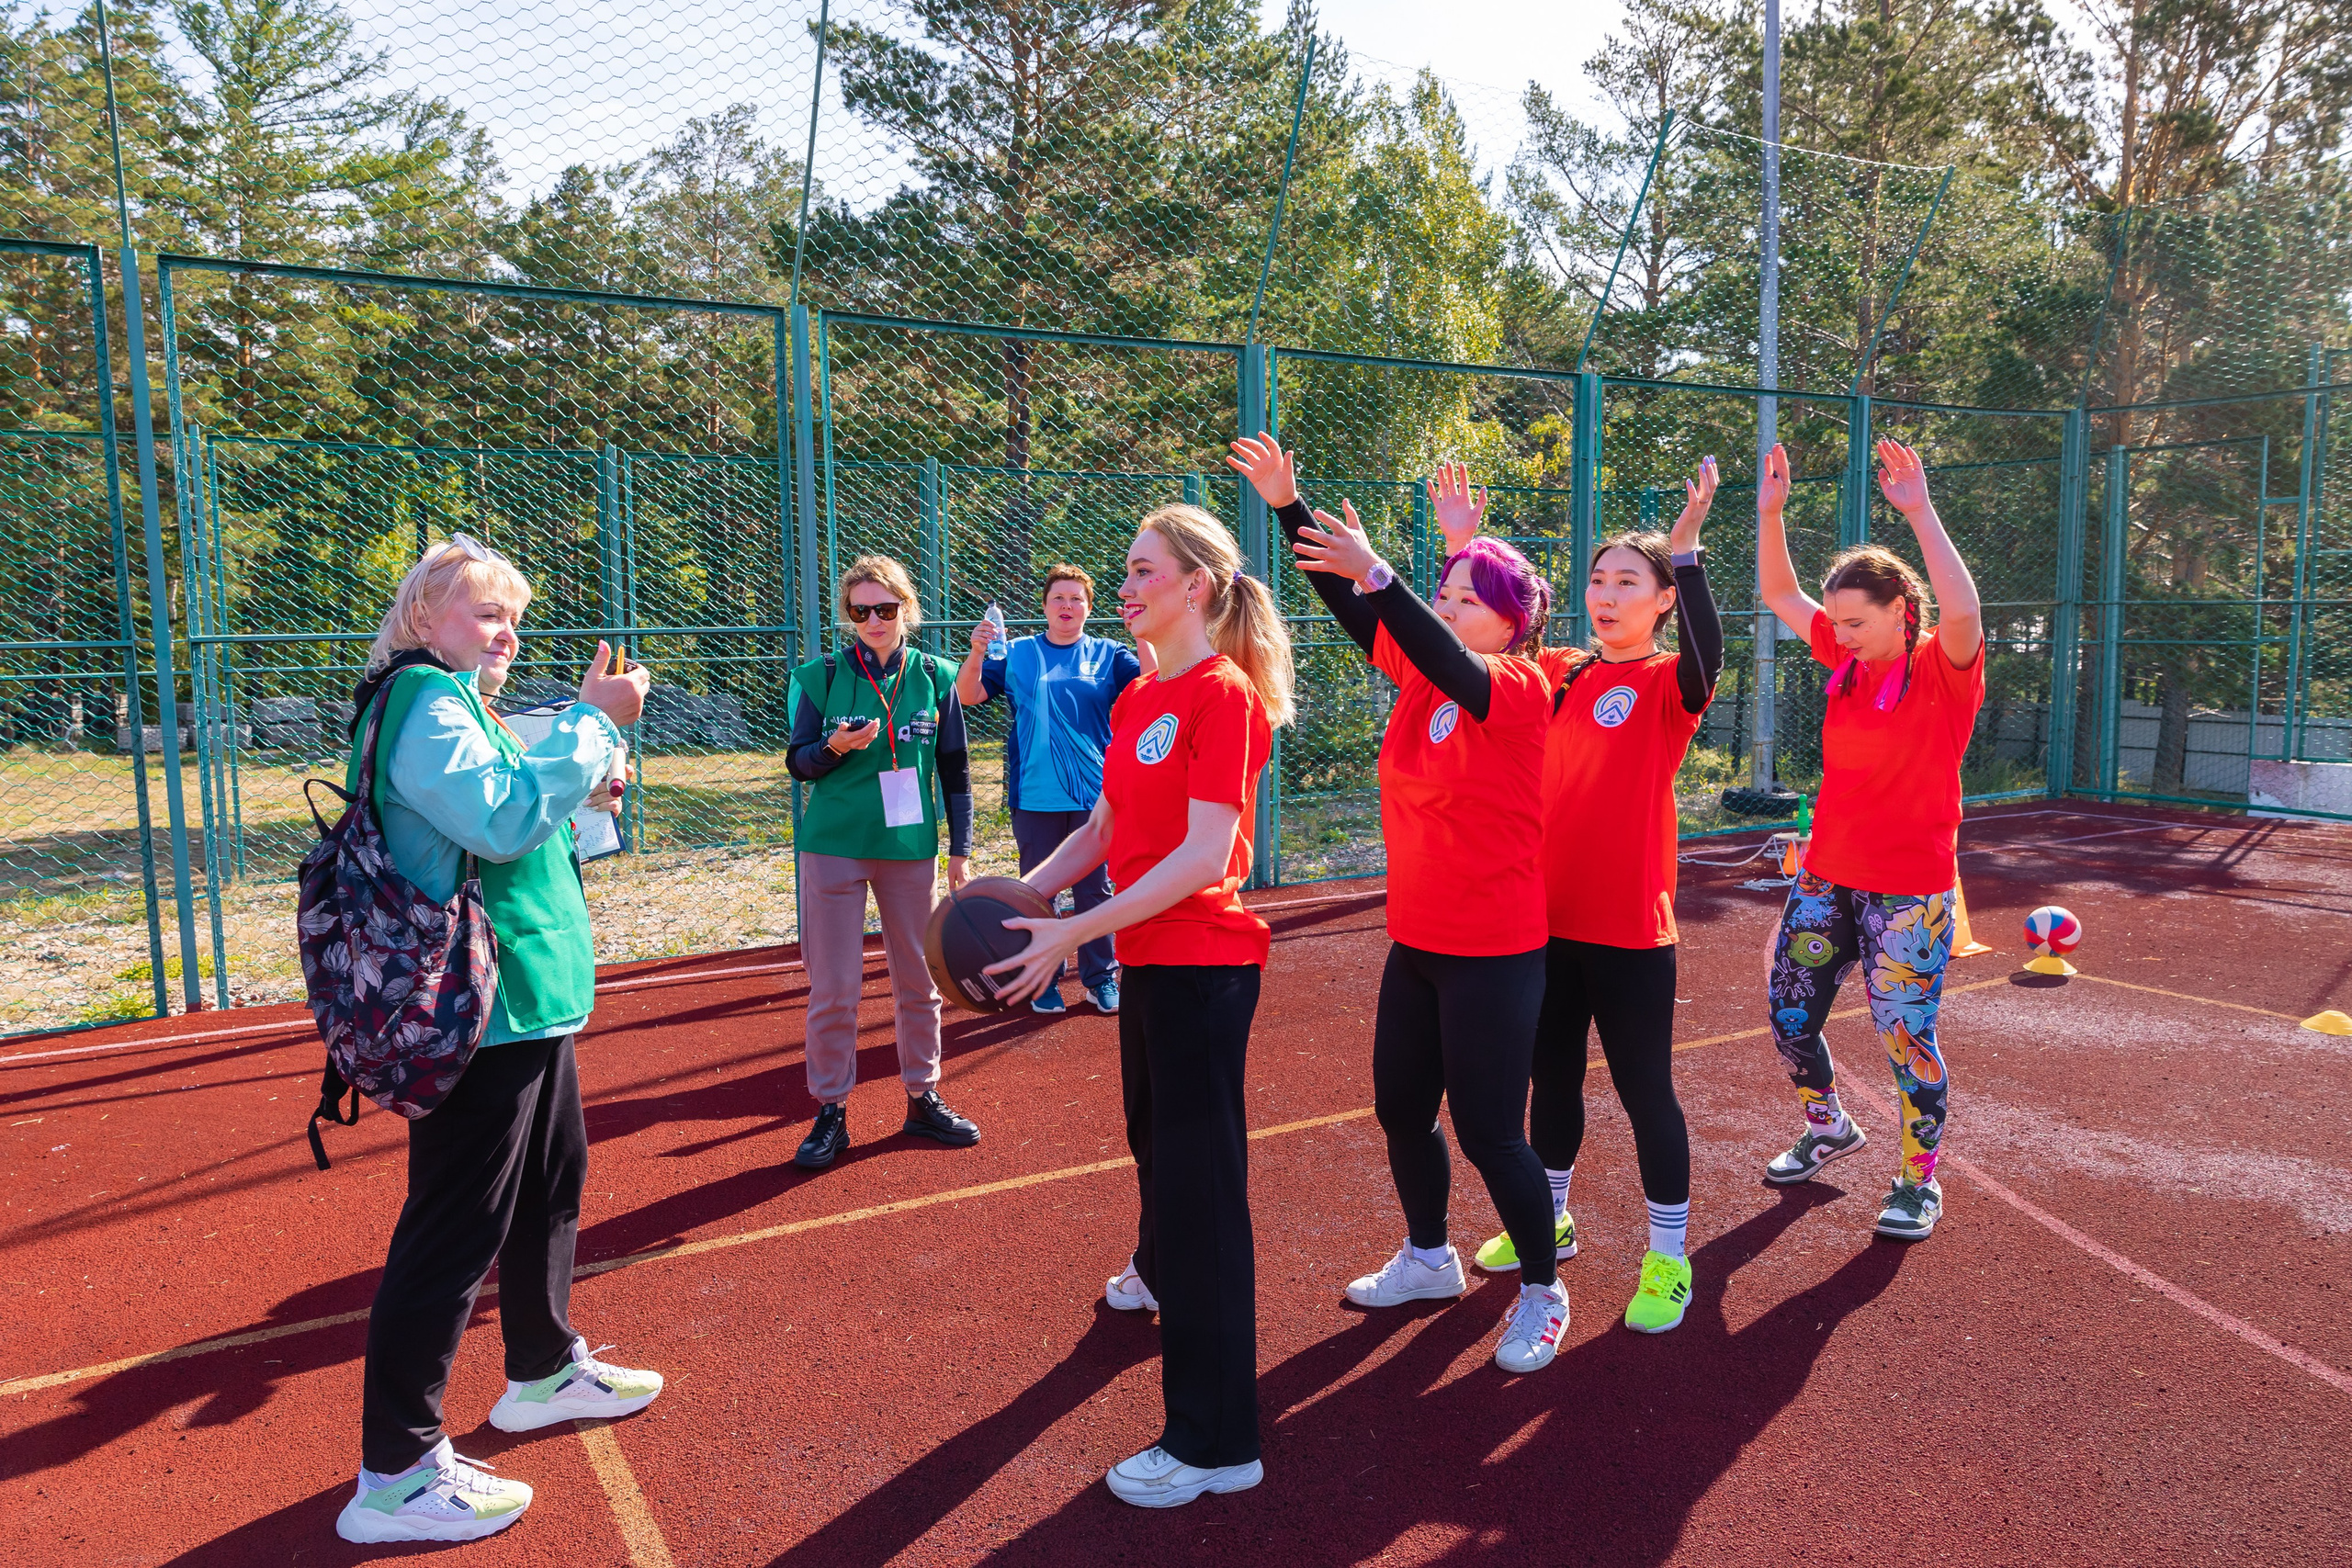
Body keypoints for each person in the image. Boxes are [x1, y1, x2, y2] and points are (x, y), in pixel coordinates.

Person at [335, 536, 662, 1547]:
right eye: (484, 613)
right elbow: (502, 816)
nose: (505, 631)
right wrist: (588, 727)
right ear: (425, 616)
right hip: (479, 1009)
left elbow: (520, 817)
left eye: (512, 615)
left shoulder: (456, 701)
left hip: (526, 997)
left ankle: (543, 1368)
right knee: (452, 1229)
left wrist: (583, 779)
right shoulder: (427, 701)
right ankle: (392, 1472)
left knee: (547, 1185)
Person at [1229, 434, 1568, 1376]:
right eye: (1444, 596)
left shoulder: (1518, 689)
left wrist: (1388, 571)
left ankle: (1543, 1288)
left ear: (1509, 623)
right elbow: (1354, 606)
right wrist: (1292, 509)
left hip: (1496, 950)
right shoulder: (1424, 679)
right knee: (1401, 1109)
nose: (1449, 607)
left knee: (1494, 1132)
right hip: (1418, 941)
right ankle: (1429, 1256)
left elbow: (1420, 631)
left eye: (1468, 599)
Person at [980, 503, 1293, 1508]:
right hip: (1155, 962)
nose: (1125, 585)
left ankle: (1215, 1444)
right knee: (1155, 1148)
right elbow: (1106, 830)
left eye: (1141, 569)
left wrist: (1074, 933)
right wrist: (1026, 898)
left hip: (1204, 966)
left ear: (1194, 586)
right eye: (1126, 568)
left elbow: (1205, 857)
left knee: (1205, 1200)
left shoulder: (1223, 696)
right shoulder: (1140, 697)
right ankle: (1156, 1270)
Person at [1434, 458, 1724, 1333]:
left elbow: (1712, 652)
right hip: (1541, 923)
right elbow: (1475, 637)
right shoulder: (1556, 670)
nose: (1607, 592)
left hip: (1631, 928)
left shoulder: (1671, 682)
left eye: (1628, 581)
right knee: (1549, 1081)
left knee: (1645, 1092)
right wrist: (1460, 546)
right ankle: (1552, 1216)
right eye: (1597, 579)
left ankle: (1669, 1258)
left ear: (1662, 600)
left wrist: (1689, 548)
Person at [1754, 439, 1985, 1241]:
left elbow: (1965, 611)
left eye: (1856, 620)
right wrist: (1772, 514)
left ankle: (1918, 1181)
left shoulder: (1942, 669)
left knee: (1905, 1039)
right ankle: (1828, 1128)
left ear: (1900, 610)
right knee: (1789, 1016)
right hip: (1827, 878)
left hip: (1910, 890)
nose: (1839, 632)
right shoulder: (1843, 658)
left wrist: (1919, 511)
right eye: (1836, 620)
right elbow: (1779, 590)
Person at [785, 555, 981, 1170]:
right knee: (836, 988)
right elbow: (798, 761)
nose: (873, 619)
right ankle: (831, 1110)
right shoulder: (821, 677)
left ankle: (922, 1096)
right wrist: (832, 747)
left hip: (909, 849)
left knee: (918, 982)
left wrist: (961, 847)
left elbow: (956, 770)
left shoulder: (935, 675)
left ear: (906, 609)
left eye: (885, 608)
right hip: (834, 845)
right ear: (849, 614)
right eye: (860, 609)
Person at [954, 563, 1152, 1015]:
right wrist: (977, 652)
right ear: (1044, 606)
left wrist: (1143, 632)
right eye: (1058, 598)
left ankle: (1101, 978)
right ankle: (1043, 979)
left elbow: (1152, 685)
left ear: (1088, 607)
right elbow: (968, 695)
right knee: (1037, 893)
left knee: (1095, 890)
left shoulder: (1109, 653)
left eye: (1076, 598)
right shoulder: (1017, 653)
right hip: (1035, 795)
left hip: (1097, 797)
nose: (1067, 606)